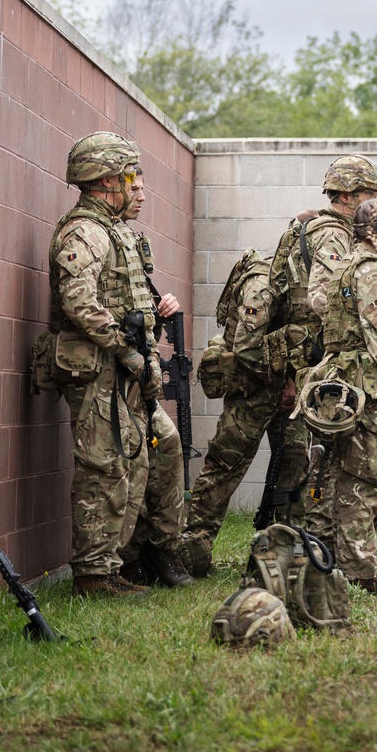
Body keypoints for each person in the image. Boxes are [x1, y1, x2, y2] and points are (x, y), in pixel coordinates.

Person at [49, 132, 171, 597]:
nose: (136, 186)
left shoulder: (113, 230)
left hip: (117, 368)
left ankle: (111, 566)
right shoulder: (87, 231)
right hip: (97, 367)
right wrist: (127, 349)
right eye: (129, 176)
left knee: (129, 461)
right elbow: (78, 300)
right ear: (106, 180)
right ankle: (93, 575)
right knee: (101, 467)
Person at [268, 154, 377, 546]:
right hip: (324, 354)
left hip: (312, 353)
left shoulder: (319, 228)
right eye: (369, 195)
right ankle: (319, 542)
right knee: (326, 454)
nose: (374, 204)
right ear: (348, 196)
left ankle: (316, 540)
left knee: (321, 453)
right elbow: (322, 296)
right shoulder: (334, 233)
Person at [181, 248, 308, 577]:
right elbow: (246, 348)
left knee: (295, 464)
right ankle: (191, 551)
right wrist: (281, 382)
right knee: (224, 467)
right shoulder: (263, 285)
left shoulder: (302, 282)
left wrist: (293, 381)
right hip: (252, 391)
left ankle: (286, 551)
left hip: (285, 387)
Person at [316, 198, 377, 594]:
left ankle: (336, 557)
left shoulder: (349, 262)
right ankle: (360, 569)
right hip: (366, 385)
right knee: (366, 475)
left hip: (347, 382)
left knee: (344, 472)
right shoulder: (371, 269)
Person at [115, 169, 194, 588]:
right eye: (136, 188)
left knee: (168, 444)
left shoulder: (128, 240)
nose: (142, 196)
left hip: (137, 376)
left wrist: (160, 312)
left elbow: (138, 320)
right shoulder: (91, 236)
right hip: (112, 373)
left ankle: (162, 547)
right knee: (131, 460)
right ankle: (126, 559)